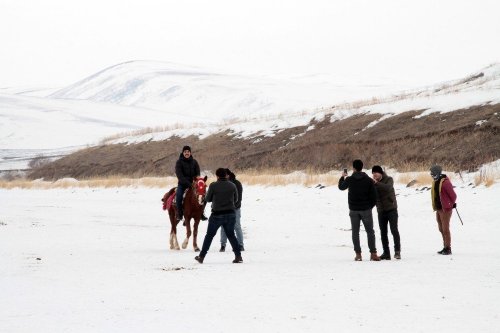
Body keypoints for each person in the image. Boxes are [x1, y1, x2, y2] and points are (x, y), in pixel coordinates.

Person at [195, 168, 243, 264]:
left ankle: (202, 256)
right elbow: (236, 199)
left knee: (209, 236)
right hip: (230, 214)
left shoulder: (213, 185)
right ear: (226, 175)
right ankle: (238, 256)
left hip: (217, 215)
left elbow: (208, 199)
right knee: (231, 235)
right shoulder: (232, 185)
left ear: (217, 176)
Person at [338, 159, 380, 261]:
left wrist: (342, 177)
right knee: (370, 232)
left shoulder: (349, 179)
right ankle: (373, 254)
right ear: (362, 167)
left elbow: (341, 187)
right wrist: (370, 206)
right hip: (366, 209)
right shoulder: (368, 180)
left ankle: (358, 254)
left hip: (353, 210)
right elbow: (375, 196)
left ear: (353, 168)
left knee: (355, 232)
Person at [372, 165, 401, 260]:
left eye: (376, 173)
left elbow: (388, 188)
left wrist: (377, 183)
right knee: (383, 233)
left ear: (380, 173)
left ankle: (397, 251)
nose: (374, 175)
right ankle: (386, 253)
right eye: (373, 173)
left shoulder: (389, 179)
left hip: (391, 209)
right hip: (381, 210)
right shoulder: (374, 183)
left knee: (394, 230)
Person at [430, 165, 457, 255]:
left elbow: (453, 196)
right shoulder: (435, 181)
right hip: (438, 208)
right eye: (431, 173)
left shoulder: (445, 183)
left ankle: (448, 248)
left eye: (433, 173)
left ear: (437, 173)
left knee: (445, 229)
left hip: (446, 209)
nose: (431, 175)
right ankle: (445, 246)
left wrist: (451, 203)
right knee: (441, 228)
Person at [220, 169, 244, 252]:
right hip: (224, 209)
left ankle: (240, 244)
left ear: (228, 175)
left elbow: (239, 198)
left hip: (235, 209)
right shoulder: (221, 183)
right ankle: (223, 245)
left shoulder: (237, 183)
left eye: (225, 175)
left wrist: (233, 207)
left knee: (237, 226)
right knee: (223, 227)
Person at [174, 146, 200, 221]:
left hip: (193, 184)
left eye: (188, 152)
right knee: (179, 196)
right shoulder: (179, 162)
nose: (187, 153)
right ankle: (180, 213)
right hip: (182, 184)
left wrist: (196, 180)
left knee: (201, 195)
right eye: (185, 152)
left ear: (190, 153)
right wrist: (189, 184)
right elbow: (180, 175)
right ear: (183, 153)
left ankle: (201, 213)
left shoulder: (194, 162)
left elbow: (198, 173)